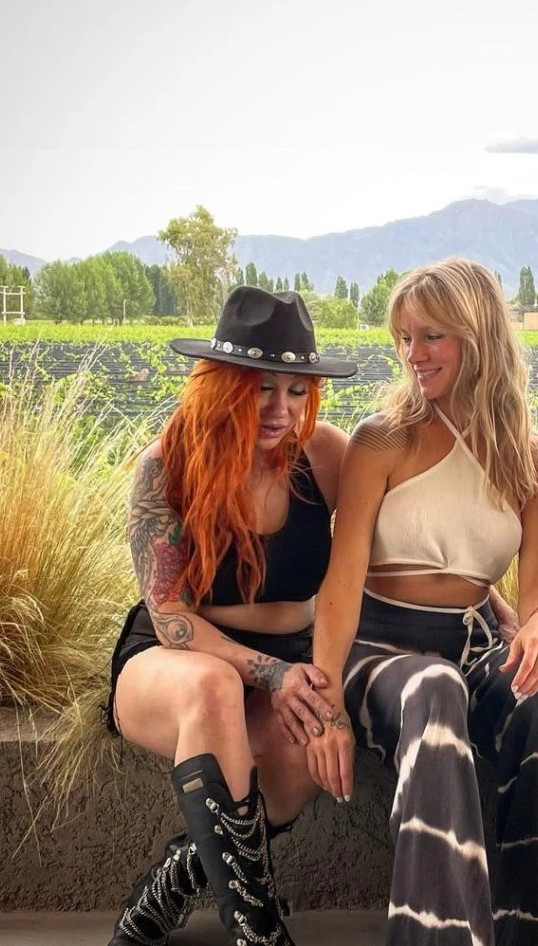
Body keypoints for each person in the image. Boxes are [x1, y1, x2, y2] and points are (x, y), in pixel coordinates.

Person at [306, 257, 538, 946]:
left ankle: (533, 930)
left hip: (475, 643)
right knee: (434, 688)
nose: (413, 355)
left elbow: (537, 584)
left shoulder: (532, 459)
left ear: (478, 336)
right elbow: (341, 581)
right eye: (404, 337)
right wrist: (327, 705)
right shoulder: (382, 438)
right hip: (379, 648)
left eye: (432, 336)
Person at [104, 286, 356, 946]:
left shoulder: (326, 455)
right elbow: (170, 617)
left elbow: (382, 556)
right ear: (222, 384)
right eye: (261, 388)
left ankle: (175, 878)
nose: (282, 408)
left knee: (299, 757)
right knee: (213, 686)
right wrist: (272, 673)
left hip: (288, 659)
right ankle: (258, 930)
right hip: (176, 661)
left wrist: (508, 607)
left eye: (297, 390)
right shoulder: (168, 465)